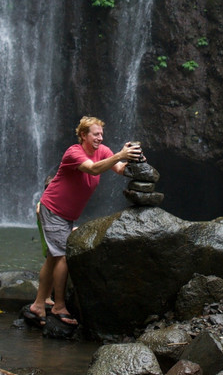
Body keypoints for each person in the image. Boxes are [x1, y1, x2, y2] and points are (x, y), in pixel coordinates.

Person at [25, 116, 143, 327]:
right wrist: (119, 155)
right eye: (96, 134)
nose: (100, 137)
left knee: (53, 258)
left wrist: (134, 160)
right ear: (83, 135)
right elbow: (94, 169)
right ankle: (58, 306)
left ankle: (38, 304)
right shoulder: (74, 153)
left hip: (67, 214)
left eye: (101, 134)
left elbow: (118, 169)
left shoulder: (104, 151)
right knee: (61, 257)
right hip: (53, 208)